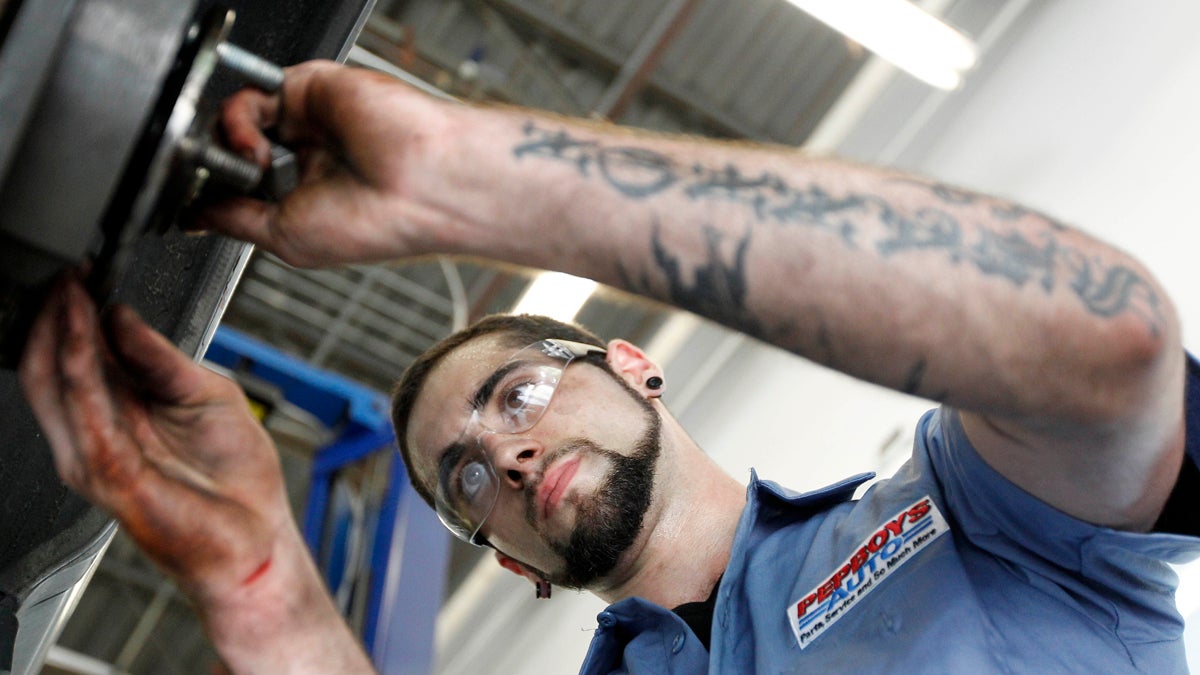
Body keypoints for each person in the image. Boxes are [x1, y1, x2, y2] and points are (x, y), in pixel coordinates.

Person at [19, 59, 1200, 672]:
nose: (507, 451)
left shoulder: (967, 516)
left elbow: (1110, 345)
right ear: (518, 569)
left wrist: (476, 180)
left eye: (517, 394)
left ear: (634, 363)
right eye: (468, 484)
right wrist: (263, 588)